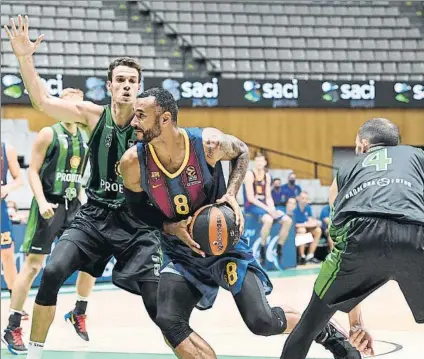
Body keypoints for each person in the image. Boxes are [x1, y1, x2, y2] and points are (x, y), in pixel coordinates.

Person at [120, 87, 361, 359]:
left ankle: (326, 332)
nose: (133, 122)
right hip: (181, 254)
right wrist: (169, 227)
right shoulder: (132, 162)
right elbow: (137, 209)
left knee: (262, 321)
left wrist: (231, 194)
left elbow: (242, 152)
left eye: (141, 116)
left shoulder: (207, 143)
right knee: (167, 320)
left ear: (164, 119)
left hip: (225, 249)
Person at [4, 15, 164, 359]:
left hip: (135, 223)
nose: (125, 85)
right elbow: (42, 102)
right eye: (119, 80)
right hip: (92, 213)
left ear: (139, 87)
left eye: (132, 81)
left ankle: (82, 311)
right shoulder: (92, 115)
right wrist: (24, 58)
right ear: (109, 86)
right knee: (51, 270)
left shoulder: (153, 128)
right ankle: (33, 349)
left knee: (158, 305)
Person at [281, 118, 424, 359]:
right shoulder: (416, 156)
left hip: (360, 237)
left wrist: (355, 323)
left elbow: (339, 240)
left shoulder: (345, 171)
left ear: (364, 145)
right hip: (415, 234)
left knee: (307, 328)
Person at [2, 88, 97, 354]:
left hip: (74, 206)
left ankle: (78, 310)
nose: (74, 111)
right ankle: (12, 325)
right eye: (69, 105)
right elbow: (31, 171)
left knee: (91, 259)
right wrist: (42, 202)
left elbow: (80, 173)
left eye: (78, 106)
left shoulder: (86, 136)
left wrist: (81, 199)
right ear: (59, 106)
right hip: (49, 204)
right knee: (33, 266)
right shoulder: (49, 134)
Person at [244, 153, 292, 263]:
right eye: (257, 161)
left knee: (287, 220)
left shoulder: (267, 176)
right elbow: (251, 198)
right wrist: (268, 210)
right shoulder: (249, 175)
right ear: (254, 162)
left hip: (265, 206)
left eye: (261, 161)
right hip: (252, 206)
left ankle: (279, 247)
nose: (259, 163)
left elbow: (268, 196)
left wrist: (273, 209)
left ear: (265, 163)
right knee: (268, 220)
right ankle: (262, 248)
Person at [1, 142, 24, 300]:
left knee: (7, 253)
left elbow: (19, 180)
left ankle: (15, 303)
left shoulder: (7, 149)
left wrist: (6, 188)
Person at [293, 191, 322, 264]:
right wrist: (305, 225)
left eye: (306, 199)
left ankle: (310, 256)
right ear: (298, 199)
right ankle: (302, 256)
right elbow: (294, 224)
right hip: (294, 230)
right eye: (302, 198)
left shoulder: (308, 207)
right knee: (302, 230)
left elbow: (311, 221)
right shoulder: (294, 208)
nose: (304, 200)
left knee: (318, 230)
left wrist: (312, 223)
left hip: (304, 227)